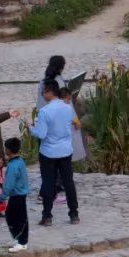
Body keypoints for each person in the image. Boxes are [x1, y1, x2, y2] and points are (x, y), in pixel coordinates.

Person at [30, 78, 80, 226]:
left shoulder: (44, 111)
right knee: (68, 182)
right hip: (65, 150)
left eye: (43, 91)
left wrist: (30, 127)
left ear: (50, 92)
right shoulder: (67, 107)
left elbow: (41, 134)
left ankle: (47, 216)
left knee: (48, 183)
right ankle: (74, 214)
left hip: (49, 152)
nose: (42, 94)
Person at [0, 136, 29, 253]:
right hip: (22, 193)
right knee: (22, 217)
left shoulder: (12, 166)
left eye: (5, 148)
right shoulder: (20, 161)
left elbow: (9, 184)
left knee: (13, 218)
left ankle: (20, 241)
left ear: (9, 150)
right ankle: (22, 241)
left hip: (16, 195)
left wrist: (1, 197)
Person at [59, 87, 87, 162]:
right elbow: (77, 125)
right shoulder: (67, 108)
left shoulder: (54, 108)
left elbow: (77, 124)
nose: (69, 102)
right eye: (68, 99)